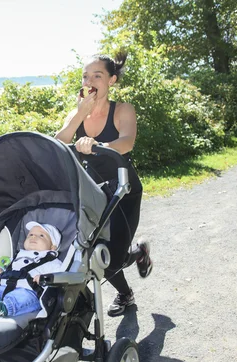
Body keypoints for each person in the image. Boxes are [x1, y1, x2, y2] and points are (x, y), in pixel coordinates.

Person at [55, 52, 153, 317]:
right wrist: (79, 115)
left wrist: (98, 146)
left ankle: (137, 253)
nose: (90, 80)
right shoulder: (76, 112)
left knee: (114, 257)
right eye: (86, 76)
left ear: (111, 80)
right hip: (92, 191)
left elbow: (127, 142)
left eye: (97, 75)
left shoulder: (123, 110)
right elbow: (59, 142)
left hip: (123, 189)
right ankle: (126, 294)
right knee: (94, 253)